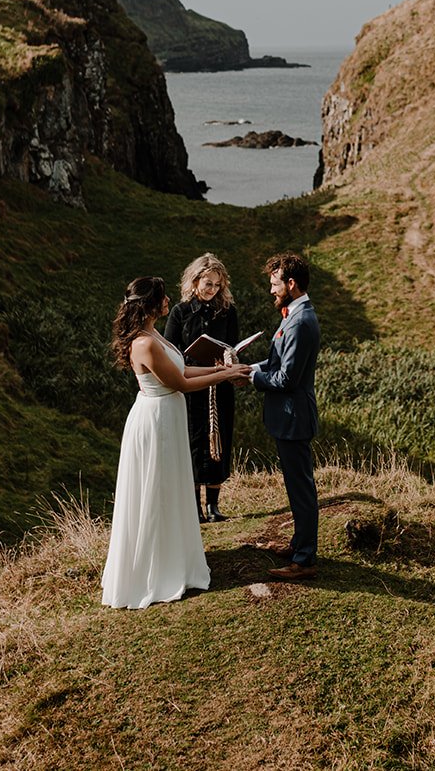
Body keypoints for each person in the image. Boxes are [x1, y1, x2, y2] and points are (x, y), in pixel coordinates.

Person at [101, 276, 247, 610]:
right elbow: (180, 383)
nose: (169, 300)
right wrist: (225, 375)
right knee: (156, 490)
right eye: (163, 297)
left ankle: (174, 557)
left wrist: (226, 371)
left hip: (167, 418)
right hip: (155, 423)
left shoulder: (154, 334)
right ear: (151, 303)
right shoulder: (144, 343)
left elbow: (184, 369)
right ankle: (154, 570)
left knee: (170, 487)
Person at [242, 253, 321, 580]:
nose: (271, 291)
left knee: (301, 488)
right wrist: (249, 367)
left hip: (293, 417)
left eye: (275, 285)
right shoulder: (293, 314)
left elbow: (286, 379)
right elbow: (276, 361)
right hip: (288, 417)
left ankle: (304, 560)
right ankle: (298, 544)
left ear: (291, 284)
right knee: (295, 485)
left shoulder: (301, 321)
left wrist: (251, 379)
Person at [163, 253, 240, 523]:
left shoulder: (227, 311)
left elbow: (232, 343)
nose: (212, 290)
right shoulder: (180, 312)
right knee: (193, 442)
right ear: (194, 281)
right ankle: (194, 506)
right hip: (191, 385)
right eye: (208, 283)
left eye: (217, 285)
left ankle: (213, 506)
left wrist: (230, 358)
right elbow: (169, 348)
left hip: (219, 386)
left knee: (219, 440)